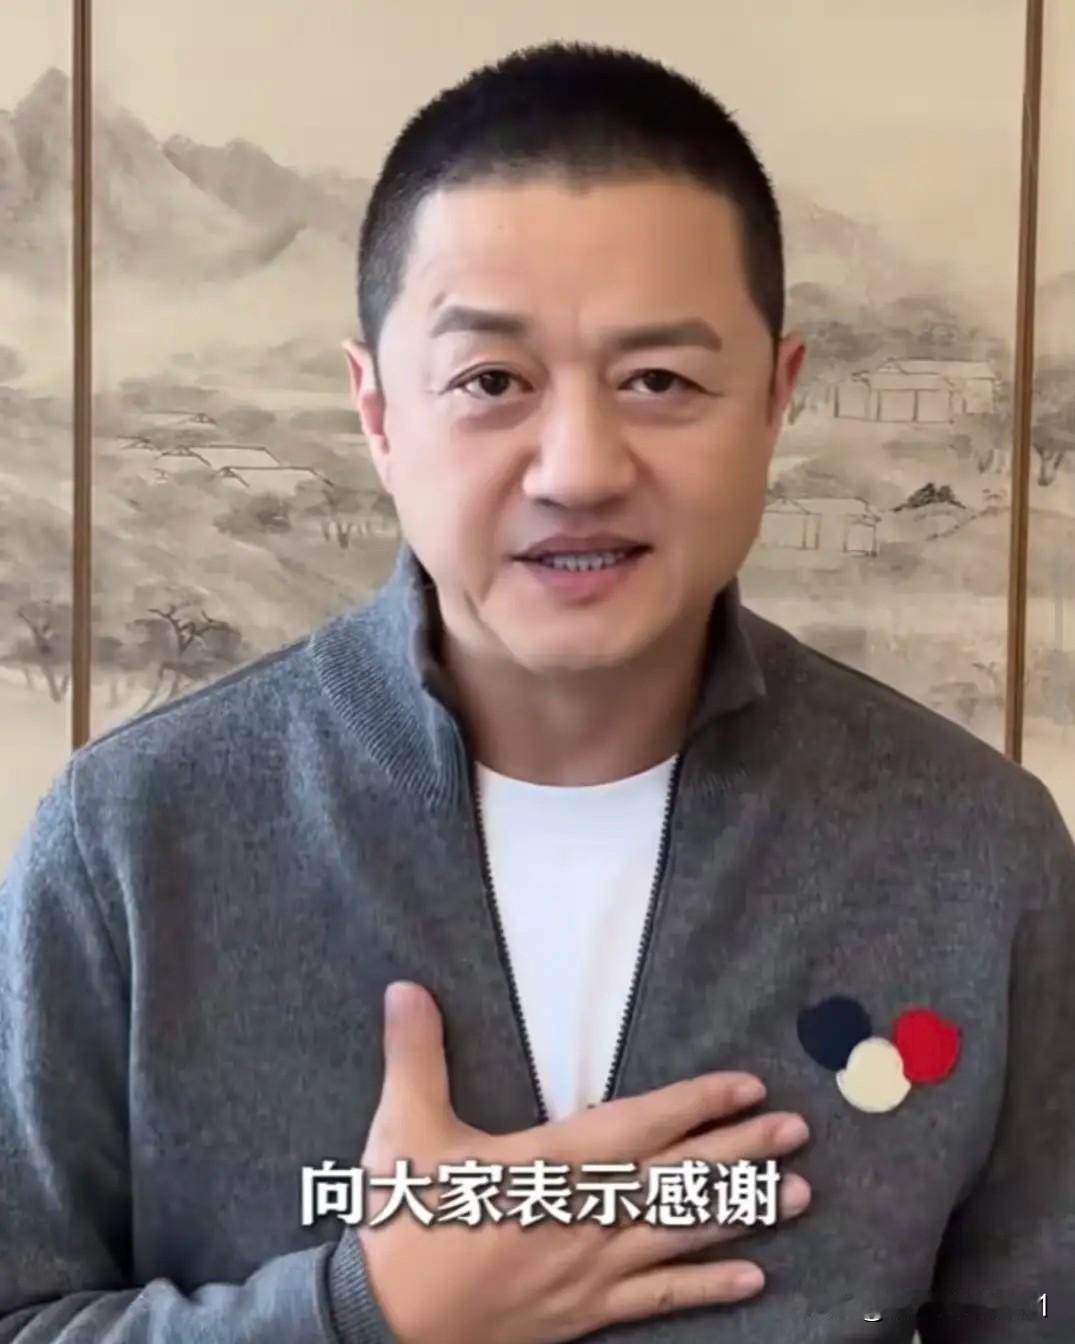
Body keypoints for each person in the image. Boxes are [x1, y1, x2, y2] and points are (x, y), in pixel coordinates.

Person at [1, 40, 1073, 1344]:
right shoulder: (130, 841)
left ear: (775, 399)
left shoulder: (974, 854)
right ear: (376, 410)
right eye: (491, 382)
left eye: (659, 381)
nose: (578, 468)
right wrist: (369, 1310)